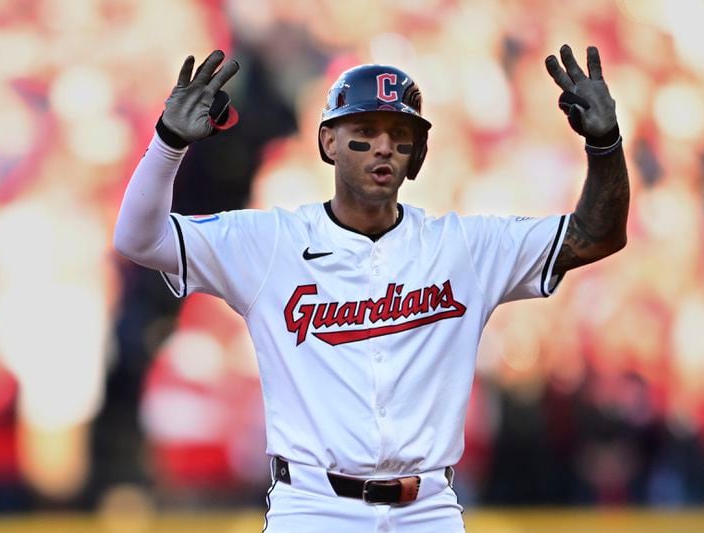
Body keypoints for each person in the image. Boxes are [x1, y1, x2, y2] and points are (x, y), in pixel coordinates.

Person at [113, 44, 629, 532]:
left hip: (427, 509)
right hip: (314, 508)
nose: (383, 145)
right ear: (328, 141)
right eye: (365, 128)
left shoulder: (464, 248)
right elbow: (139, 238)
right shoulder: (270, 242)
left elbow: (596, 236)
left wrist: (604, 145)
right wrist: (168, 144)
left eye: (399, 133)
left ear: (417, 152)